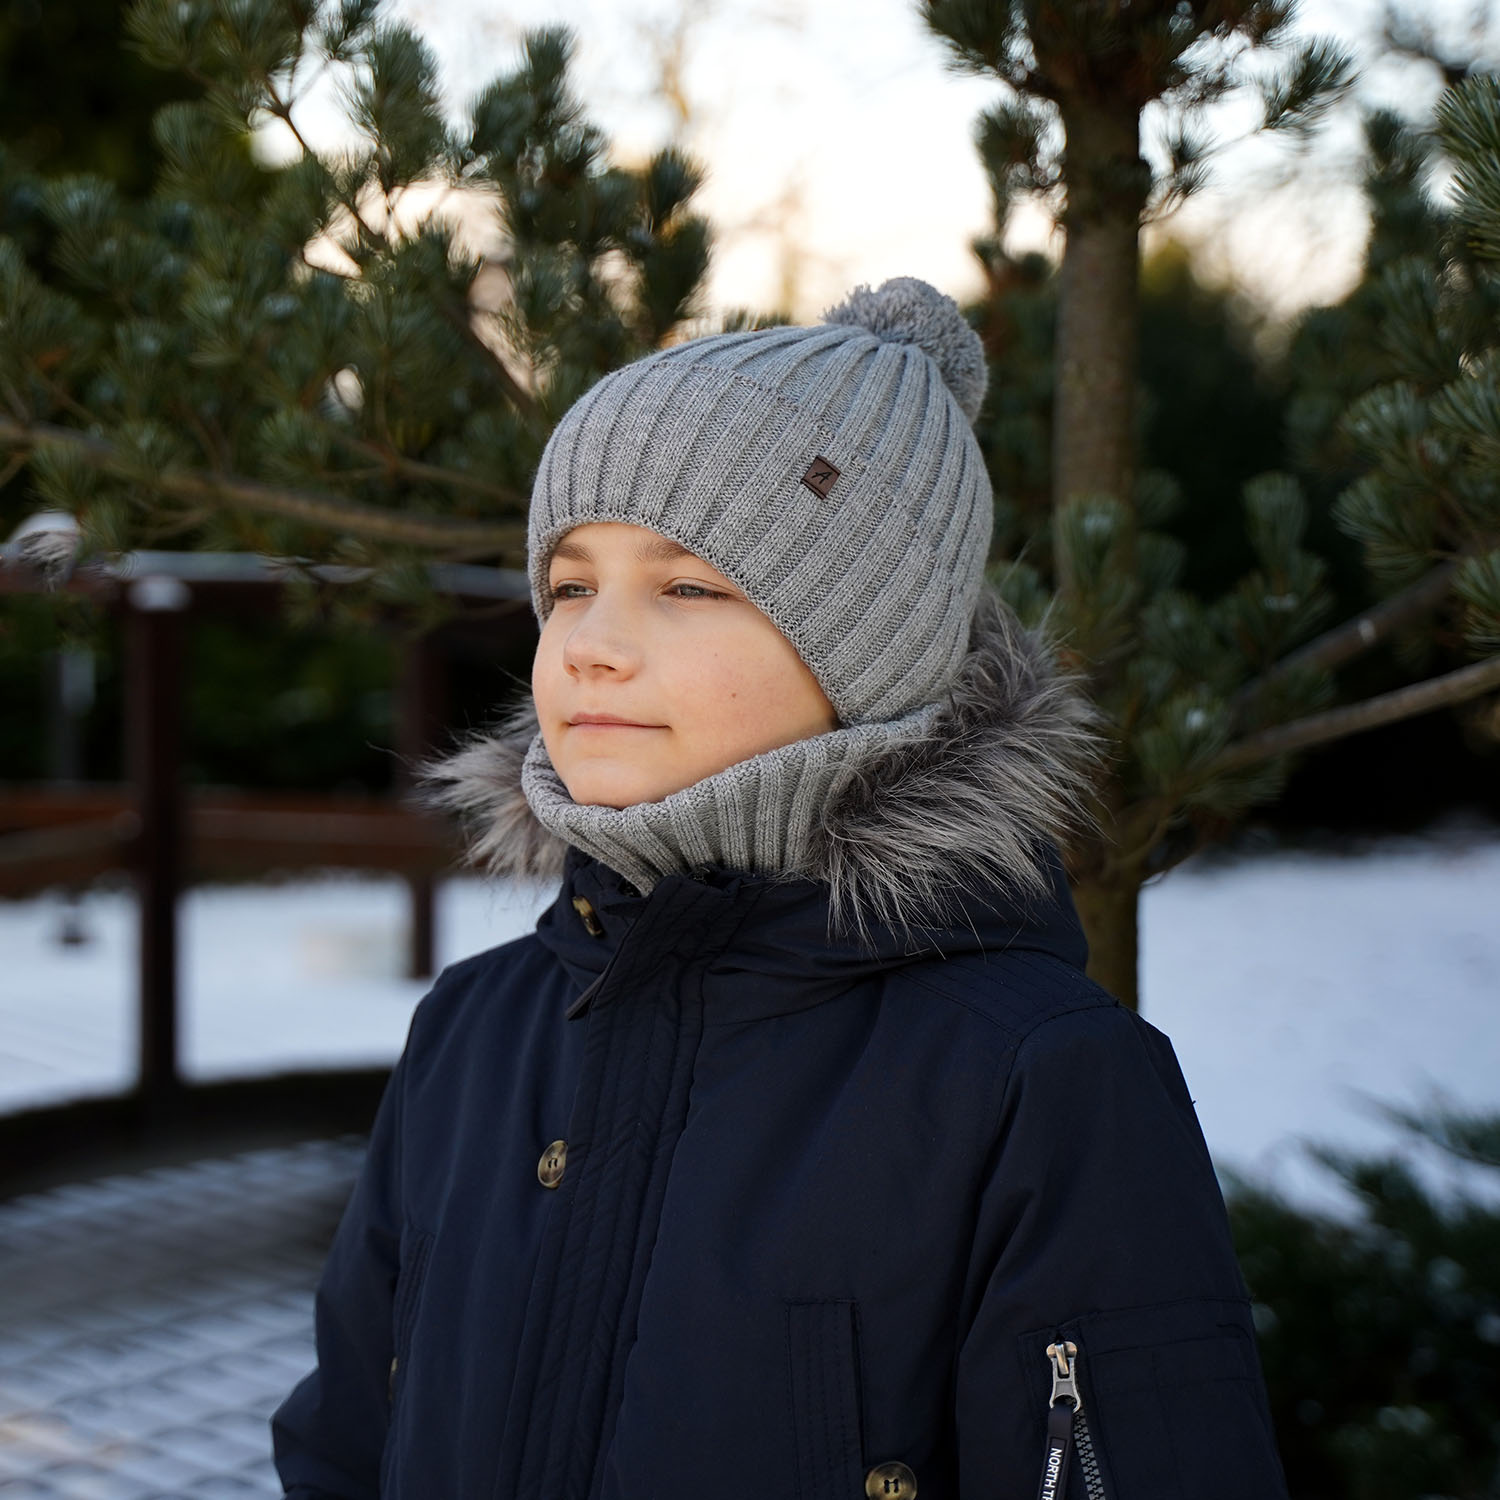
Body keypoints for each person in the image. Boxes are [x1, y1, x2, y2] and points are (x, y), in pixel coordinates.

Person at [270, 278, 1290, 1499]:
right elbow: (346, 1439)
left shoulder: (1038, 1081)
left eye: (689, 586)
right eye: (571, 583)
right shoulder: (477, 1031)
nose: (591, 640)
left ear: (870, 650)